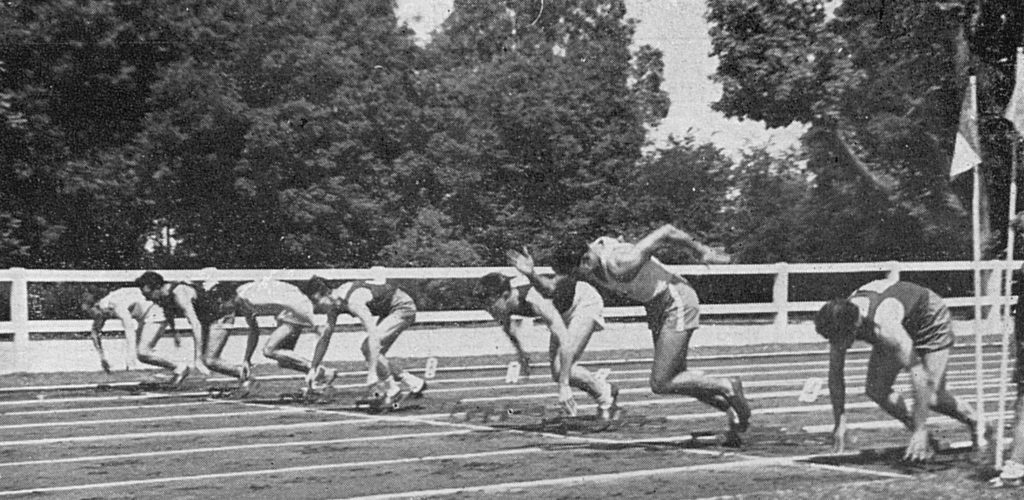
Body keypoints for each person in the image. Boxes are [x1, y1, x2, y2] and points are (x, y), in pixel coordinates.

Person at [509, 224, 750, 436]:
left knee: (662, 381)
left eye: (574, 273)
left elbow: (666, 231)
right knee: (675, 377)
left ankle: (726, 385)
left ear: (584, 261)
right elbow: (552, 289)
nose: (573, 279)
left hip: (675, 300)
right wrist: (531, 274)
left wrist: (702, 251)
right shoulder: (589, 259)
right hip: (657, 306)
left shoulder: (619, 262)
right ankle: (730, 406)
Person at [815, 279, 990, 461]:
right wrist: (840, 422)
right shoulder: (840, 320)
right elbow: (835, 374)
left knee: (932, 396)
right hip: (902, 317)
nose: (835, 344)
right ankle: (922, 435)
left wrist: (920, 427)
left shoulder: (885, 327)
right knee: (876, 389)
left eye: (837, 339)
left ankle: (977, 422)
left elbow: (918, 374)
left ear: (854, 328)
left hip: (928, 317)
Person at [480, 244, 618, 420]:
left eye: (490, 305)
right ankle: (606, 390)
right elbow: (509, 329)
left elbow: (565, 340)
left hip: (583, 303)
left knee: (563, 370)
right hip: (562, 312)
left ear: (505, 295)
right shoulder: (504, 306)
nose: (488, 310)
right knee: (557, 372)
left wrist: (564, 386)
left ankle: (605, 400)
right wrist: (522, 355)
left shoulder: (535, 300)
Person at [303, 276, 426, 404]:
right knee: (375, 354)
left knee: (368, 347)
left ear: (328, 294)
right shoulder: (334, 303)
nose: (315, 307)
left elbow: (372, 334)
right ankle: (414, 383)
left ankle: (393, 390)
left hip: (402, 307)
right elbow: (325, 337)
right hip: (388, 309)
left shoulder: (353, 300)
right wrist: (313, 368)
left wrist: (372, 373)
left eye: (316, 301)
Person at [206, 279, 335, 392]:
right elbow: (254, 331)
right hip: (287, 312)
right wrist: (246, 359)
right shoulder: (242, 300)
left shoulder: (251, 298)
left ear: (228, 298)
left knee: (269, 350)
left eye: (222, 304)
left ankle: (320, 371)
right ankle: (321, 373)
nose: (222, 308)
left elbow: (292, 301)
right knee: (284, 361)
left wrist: (314, 323)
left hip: (296, 307)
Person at [134, 271, 217, 384]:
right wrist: (175, 333)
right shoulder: (163, 295)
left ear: (157, 287)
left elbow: (196, 325)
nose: (147, 299)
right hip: (207, 320)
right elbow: (168, 312)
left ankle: (244, 378)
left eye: (148, 294)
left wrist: (197, 359)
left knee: (210, 361)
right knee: (211, 361)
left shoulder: (179, 293)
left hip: (219, 316)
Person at [80, 287, 160, 373]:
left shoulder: (114, 304)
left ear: (96, 305)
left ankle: (175, 367)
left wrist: (130, 360)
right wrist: (102, 358)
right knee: (142, 353)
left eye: (90, 312)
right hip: (145, 314)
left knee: (142, 353)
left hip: (154, 312)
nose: (92, 317)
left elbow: (129, 328)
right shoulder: (102, 309)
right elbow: (95, 333)